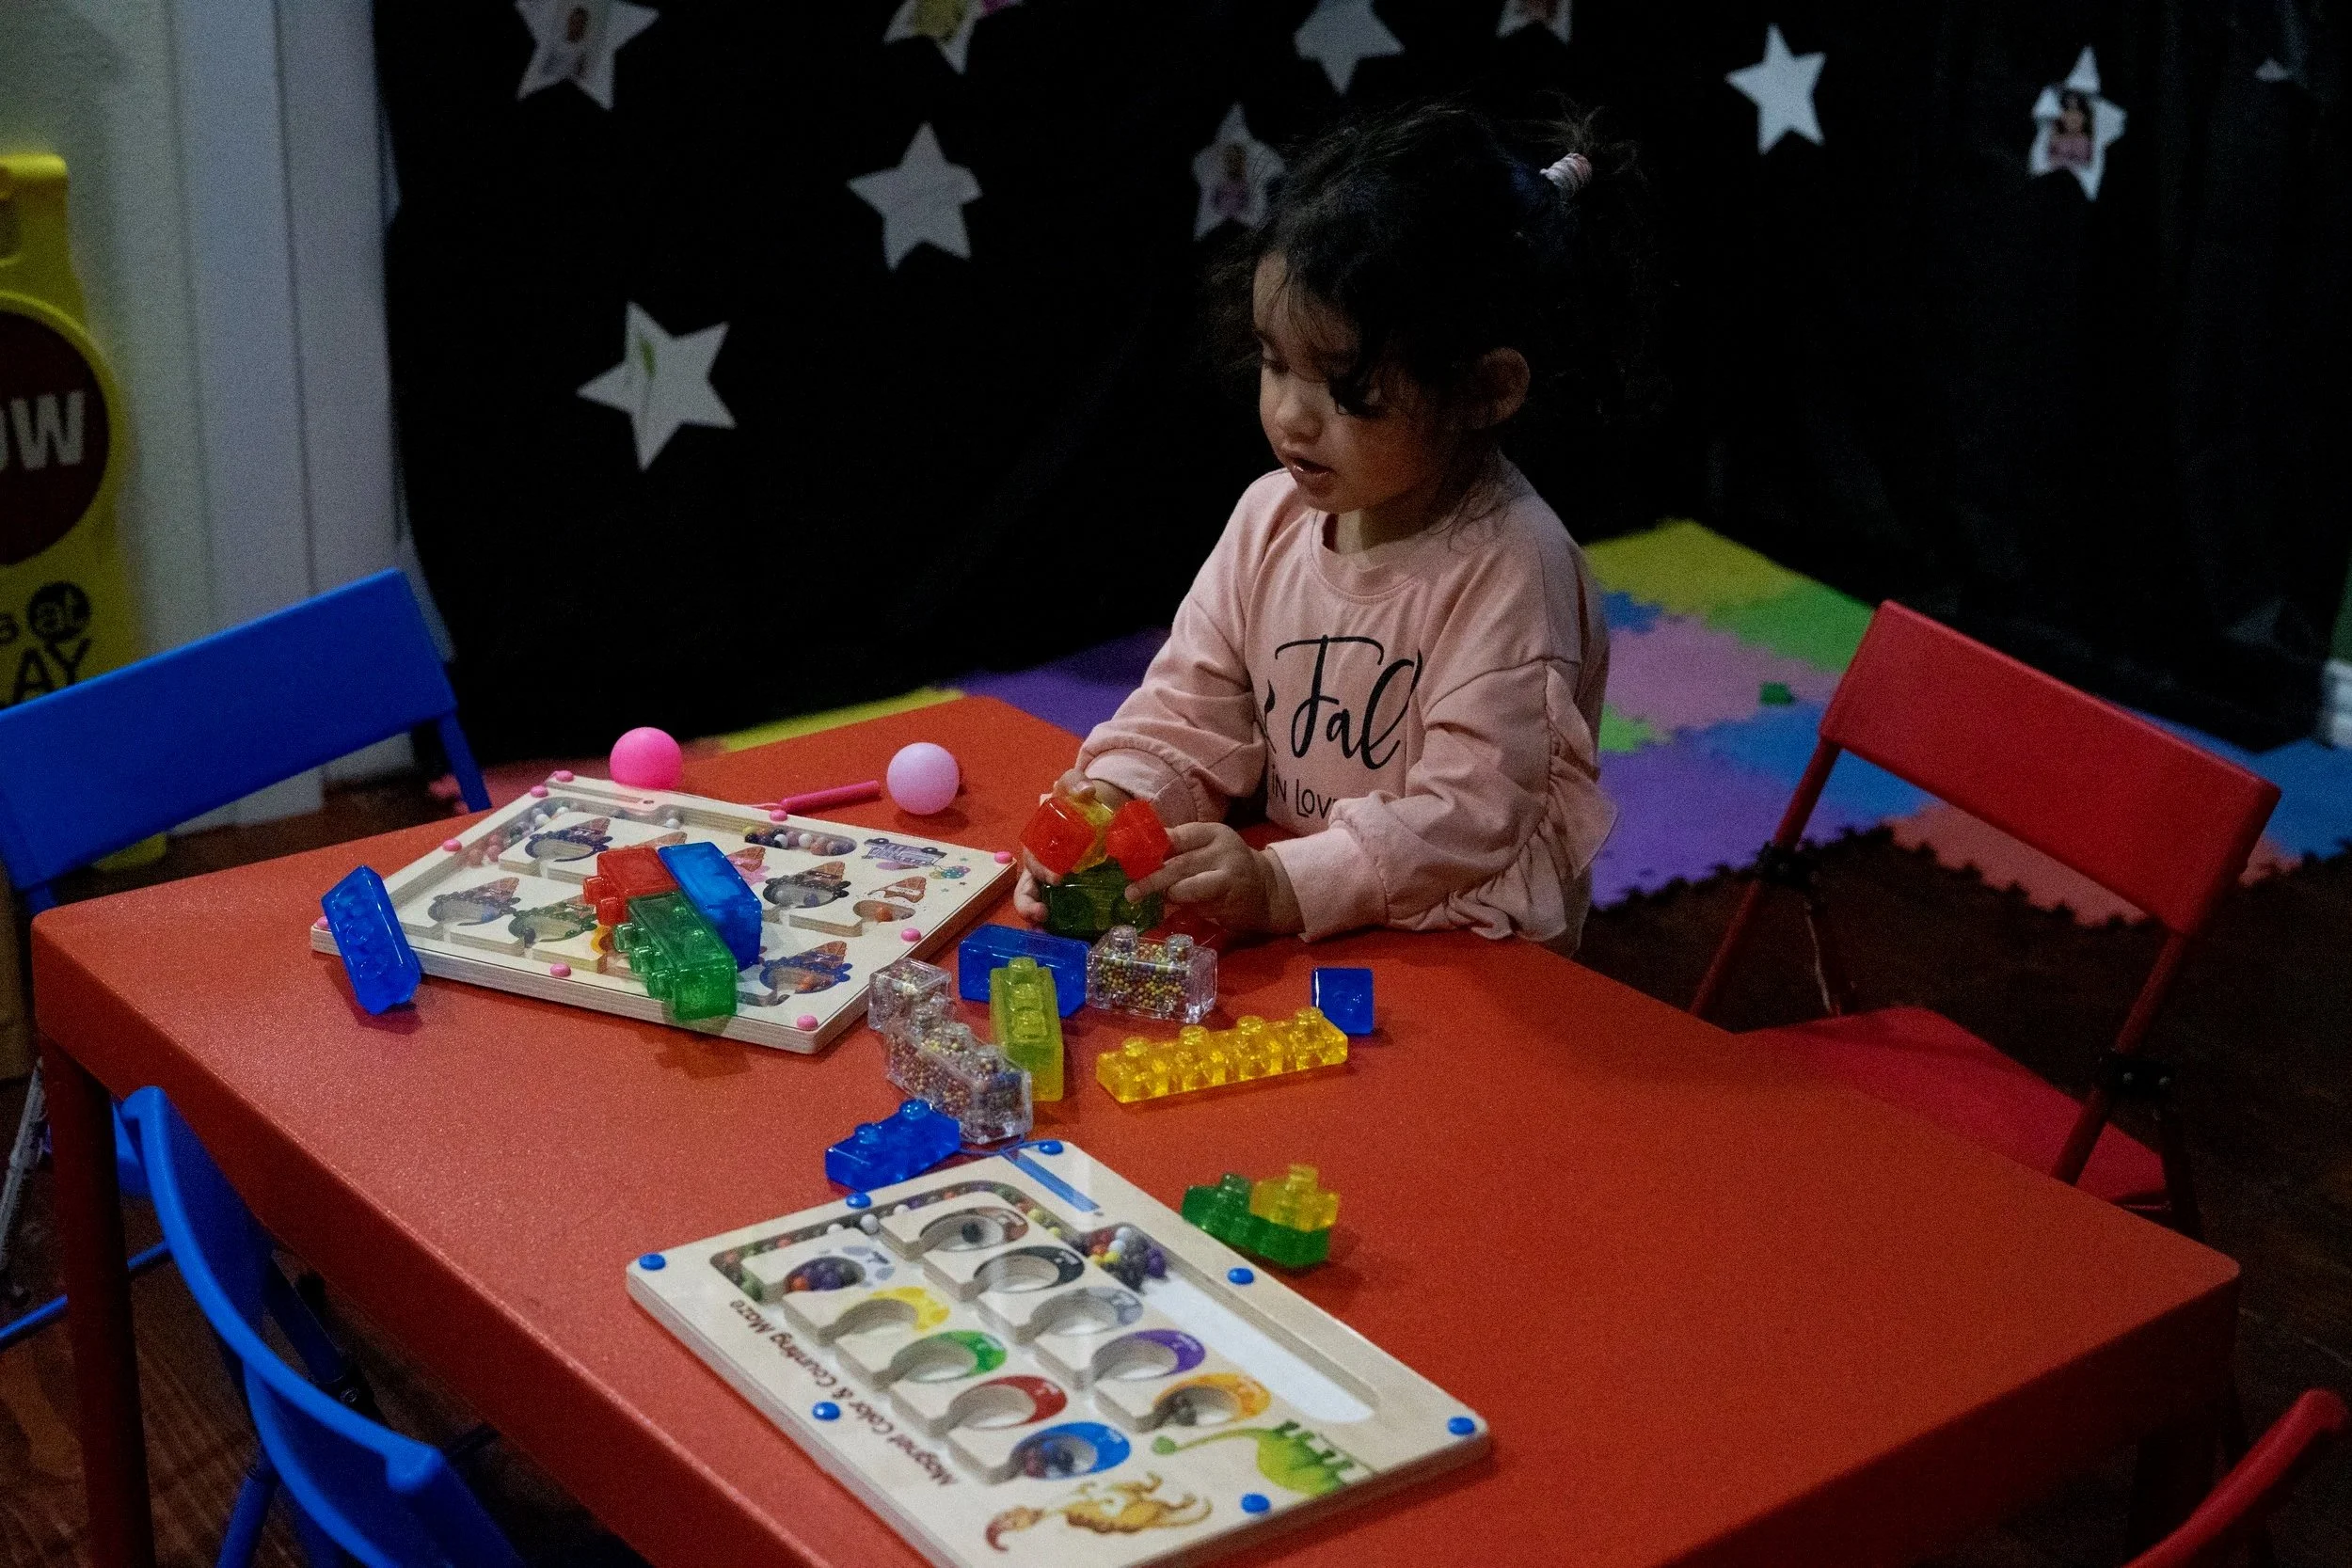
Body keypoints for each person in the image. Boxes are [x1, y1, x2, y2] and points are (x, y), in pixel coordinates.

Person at [1019, 101, 1662, 954]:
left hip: (1454, 952)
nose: (1290, 417)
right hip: (1316, 928)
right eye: (1275, 363)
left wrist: (1286, 885)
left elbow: (1472, 821)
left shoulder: (1515, 569)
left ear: (1485, 390)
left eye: (1346, 390)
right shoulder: (1267, 518)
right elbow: (1188, 709)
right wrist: (1113, 805)